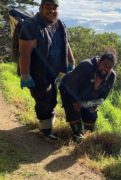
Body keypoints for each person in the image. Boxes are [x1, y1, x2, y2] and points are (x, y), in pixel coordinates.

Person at [19, 0, 75, 140]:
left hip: (54, 71)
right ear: (41, 7)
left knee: (51, 97)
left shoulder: (60, 24)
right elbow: (25, 52)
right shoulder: (31, 26)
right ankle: (45, 131)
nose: (51, 10)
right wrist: (25, 74)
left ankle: (47, 124)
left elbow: (66, 44)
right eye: (47, 7)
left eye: (54, 7)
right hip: (37, 72)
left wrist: (71, 62)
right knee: (44, 99)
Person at [59, 49, 117, 143]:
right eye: (105, 65)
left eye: (109, 67)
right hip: (69, 90)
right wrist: (74, 100)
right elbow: (70, 85)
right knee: (74, 113)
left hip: (88, 96)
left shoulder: (112, 76)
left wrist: (95, 105)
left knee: (91, 118)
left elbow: (104, 95)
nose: (106, 68)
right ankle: (77, 138)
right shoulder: (86, 65)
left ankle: (86, 140)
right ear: (99, 61)